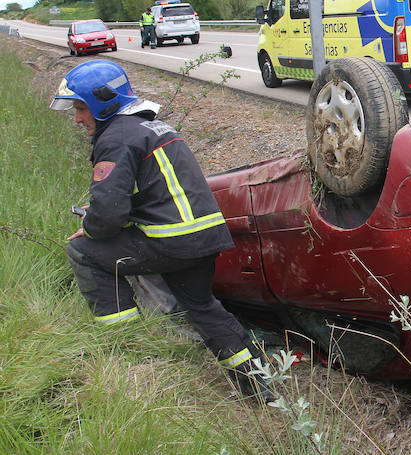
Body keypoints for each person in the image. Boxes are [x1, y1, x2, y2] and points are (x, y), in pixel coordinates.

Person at [50, 60, 273, 402]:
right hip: (203, 238)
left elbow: (109, 214)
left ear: (102, 104)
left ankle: (128, 352)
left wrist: (90, 229)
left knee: (83, 253)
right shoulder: (150, 127)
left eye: (81, 108)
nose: (78, 119)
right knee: (204, 309)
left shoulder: (116, 138)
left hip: (171, 240)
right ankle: (261, 390)